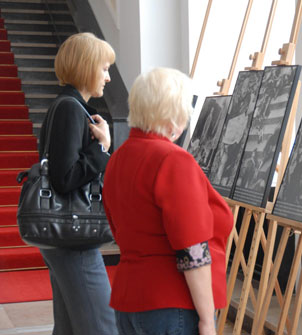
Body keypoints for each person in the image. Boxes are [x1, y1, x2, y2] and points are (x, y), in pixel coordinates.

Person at [102, 67, 234, 335]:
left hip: (128, 299)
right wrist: (208, 320)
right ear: (174, 115)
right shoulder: (173, 160)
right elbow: (192, 250)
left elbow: (117, 229)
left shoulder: (118, 158)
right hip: (171, 303)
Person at [37, 33, 118, 334]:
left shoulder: (65, 106)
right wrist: (102, 149)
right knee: (101, 326)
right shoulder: (71, 108)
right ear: (86, 66)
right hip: (74, 236)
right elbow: (64, 178)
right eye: (104, 68)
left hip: (62, 235)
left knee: (70, 327)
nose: (108, 78)